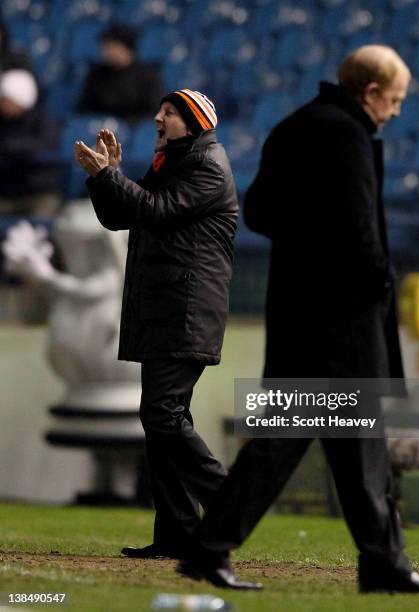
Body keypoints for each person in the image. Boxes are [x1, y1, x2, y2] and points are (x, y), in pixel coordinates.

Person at [177, 46, 419, 594]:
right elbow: (359, 225)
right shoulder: (349, 135)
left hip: (296, 306)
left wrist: (310, 241)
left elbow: (261, 212)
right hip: (343, 316)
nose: (396, 112)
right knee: (337, 439)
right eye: (394, 100)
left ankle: (379, 559)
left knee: (333, 442)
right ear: (371, 93)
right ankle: (375, 561)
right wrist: (377, 284)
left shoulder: (292, 126)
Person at [74, 89, 238, 558]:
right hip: (165, 309)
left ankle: (231, 499)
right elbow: (121, 217)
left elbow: (156, 212)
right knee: (163, 419)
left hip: (186, 311)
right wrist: (108, 178)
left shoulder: (208, 166)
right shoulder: (175, 162)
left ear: (194, 122)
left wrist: (112, 177)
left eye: (168, 114)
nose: (157, 118)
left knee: (162, 415)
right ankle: (177, 533)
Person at [0, 69, 61, 217]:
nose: (3, 104)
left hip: (38, 193)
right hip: (6, 193)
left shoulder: (43, 120)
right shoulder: (2, 122)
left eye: (7, 99)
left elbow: (46, 149)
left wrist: (12, 149)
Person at [77, 23, 165, 123]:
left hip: (136, 131)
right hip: (103, 130)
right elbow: (84, 110)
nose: (106, 51)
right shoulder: (96, 75)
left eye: (111, 46)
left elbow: (155, 111)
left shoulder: (148, 76)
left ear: (125, 48)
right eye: (105, 47)